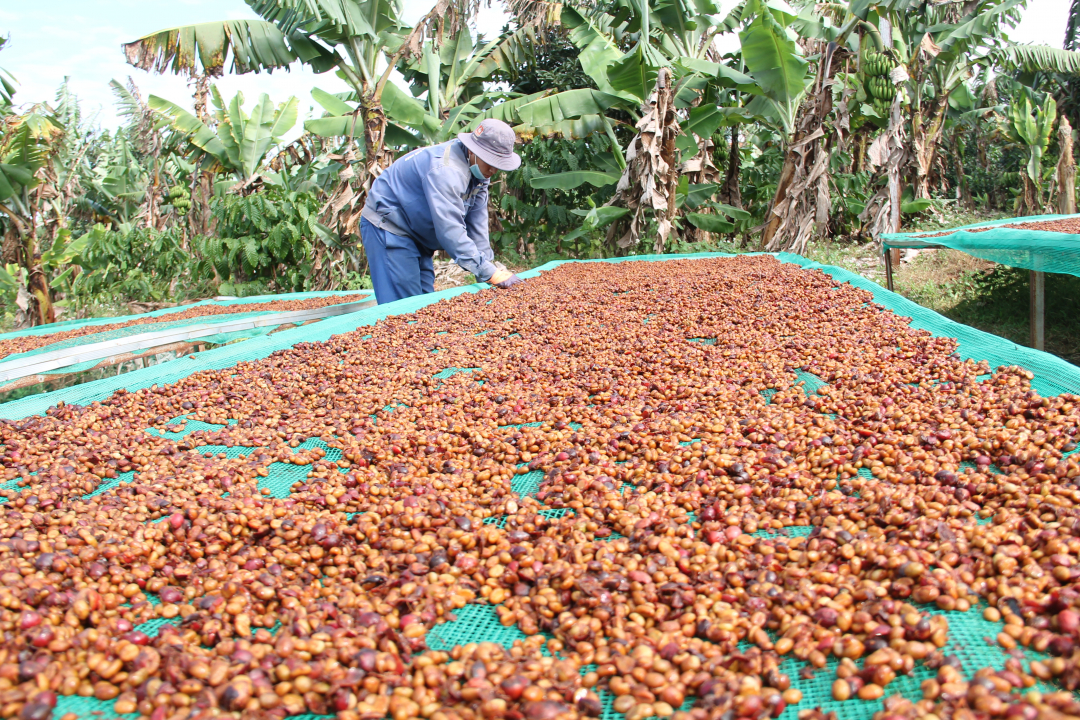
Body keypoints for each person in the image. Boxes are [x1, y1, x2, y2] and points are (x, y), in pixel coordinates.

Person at [359, 118, 524, 304]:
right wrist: (489, 273)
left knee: (425, 301)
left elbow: (477, 226)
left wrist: (490, 272)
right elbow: (450, 230)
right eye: (490, 162)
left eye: (498, 165)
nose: (493, 169)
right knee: (404, 308)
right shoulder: (446, 170)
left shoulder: (480, 172)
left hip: (418, 233)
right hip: (390, 227)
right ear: (473, 150)